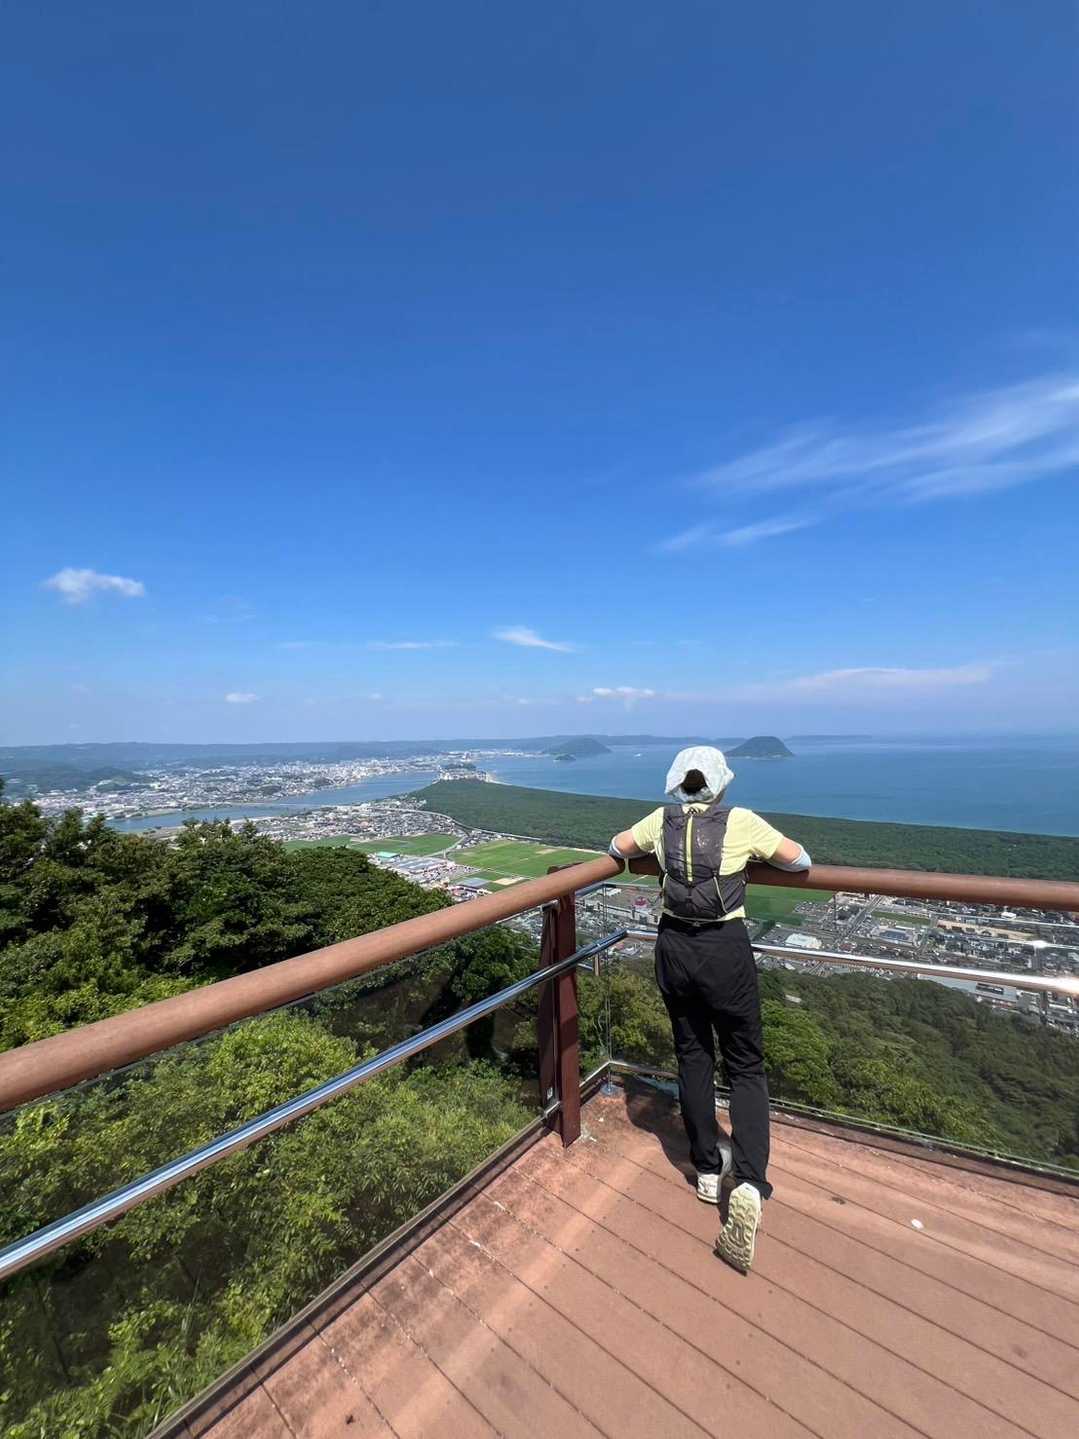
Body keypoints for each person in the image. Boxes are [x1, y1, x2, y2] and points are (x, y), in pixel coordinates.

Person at [608, 746, 810, 1274]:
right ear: (720, 784)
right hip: (725, 948)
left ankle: (705, 1168)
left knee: (693, 1055)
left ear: (678, 784)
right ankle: (749, 1181)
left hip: (674, 945)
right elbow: (799, 859)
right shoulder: (741, 821)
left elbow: (617, 847)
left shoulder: (661, 820)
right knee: (745, 1065)